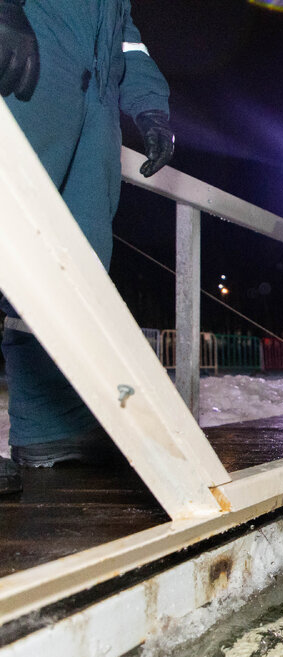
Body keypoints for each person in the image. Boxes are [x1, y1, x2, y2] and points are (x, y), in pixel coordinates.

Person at [0, 0, 175, 494]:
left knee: (70, 274)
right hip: (29, 67)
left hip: (94, 107)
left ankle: (50, 427)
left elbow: (125, 34)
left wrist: (150, 104)